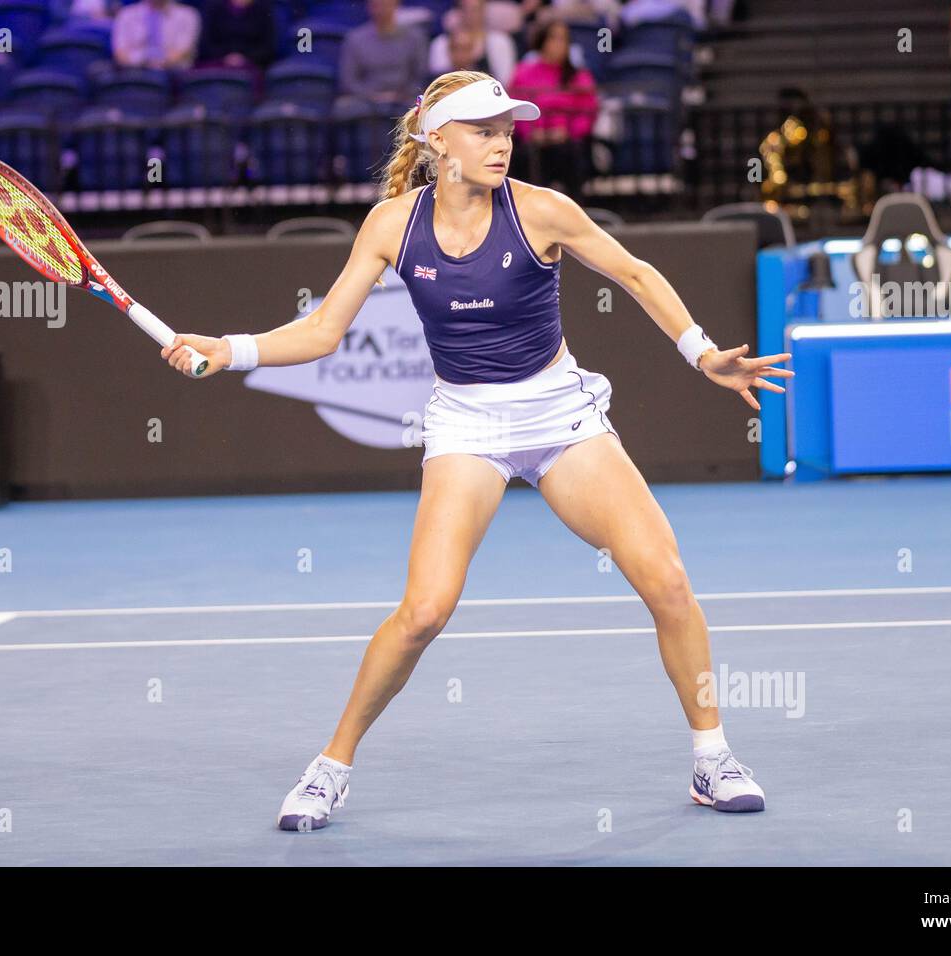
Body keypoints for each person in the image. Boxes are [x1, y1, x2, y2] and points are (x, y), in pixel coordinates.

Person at [159, 71, 792, 830]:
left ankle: (712, 757)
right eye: (483, 129)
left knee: (667, 580)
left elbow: (633, 271)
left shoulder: (541, 209)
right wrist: (229, 351)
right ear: (437, 142)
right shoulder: (392, 225)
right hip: (465, 424)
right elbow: (325, 331)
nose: (502, 142)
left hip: (560, 414)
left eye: (507, 129)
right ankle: (329, 768)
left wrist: (701, 353)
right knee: (424, 611)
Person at [509, 15, 599, 197]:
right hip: (533, 143)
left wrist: (566, 132)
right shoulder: (523, 73)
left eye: (564, 39)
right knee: (524, 157)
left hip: (568, 143)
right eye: (554, 38)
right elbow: (515, 109)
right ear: (541, 41)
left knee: (571, 154)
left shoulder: (579, 76)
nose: (560, 44)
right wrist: (532, 133)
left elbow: (588, 113)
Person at [339, 0, 430, 107]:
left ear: (396, 4)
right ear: (369, 6)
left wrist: (401, 95)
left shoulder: (415, 37)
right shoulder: (355, 38)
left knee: (422, 106)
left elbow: (420, 75)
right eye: (377, 5)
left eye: (386, 4)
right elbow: (349, 80)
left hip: (404, 97)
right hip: (366, 98)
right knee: (344, 107)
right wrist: (372, 96)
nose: (382, 9)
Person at [111, 0, 202, 70]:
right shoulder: (126, 14)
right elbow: (120, 53)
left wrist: (157, 63)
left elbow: (182, 52)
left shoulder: (188, 15)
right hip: (134, 72)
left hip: (174, 74)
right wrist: (143, 61)